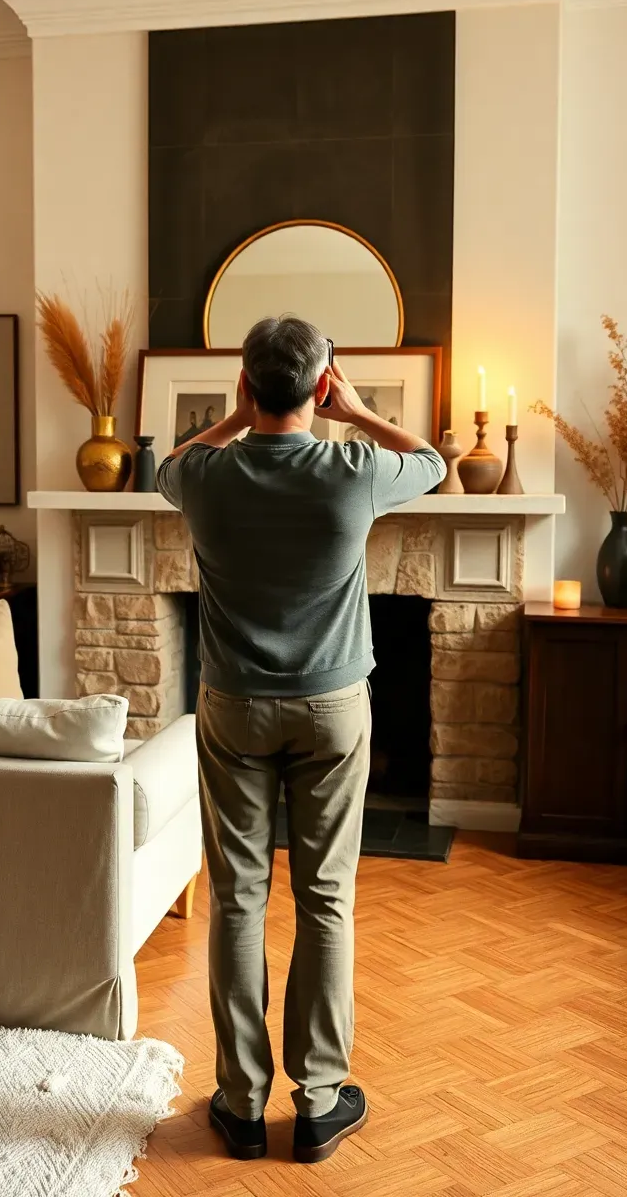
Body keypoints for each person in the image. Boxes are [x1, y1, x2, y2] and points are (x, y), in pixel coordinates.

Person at [155, 316, 445, 1165]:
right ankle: (318, 1102)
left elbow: (167, 466)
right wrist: (354, 413)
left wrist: (235, 420)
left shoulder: (206, 475)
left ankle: (241, 1104)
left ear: (246, 388)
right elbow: (431, 462)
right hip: (330, 708)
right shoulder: (354, 469)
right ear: (323, 385)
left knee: (239, 898)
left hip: (235, 709)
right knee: (327, 898)